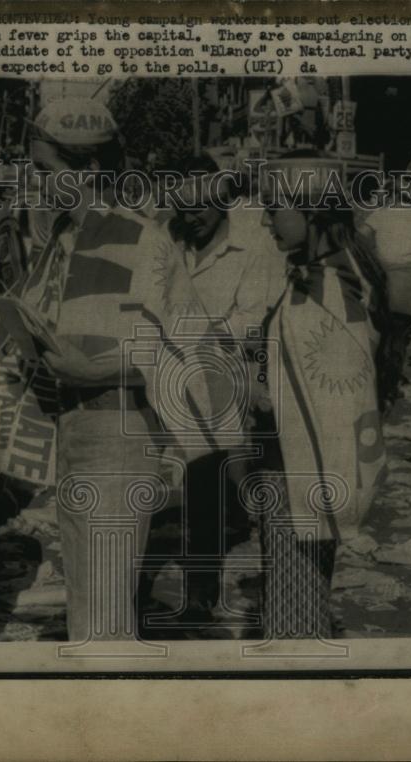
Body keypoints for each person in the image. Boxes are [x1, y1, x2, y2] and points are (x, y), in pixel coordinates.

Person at [0, 98, 205, 644]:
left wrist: (89, 371)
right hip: (74, 432)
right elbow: (5, 340)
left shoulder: (145, 242)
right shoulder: (60, 245)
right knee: (90, 607)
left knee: (104, 619)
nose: (36, 183)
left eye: (46, 171)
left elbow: (176, 352)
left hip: (117, 437)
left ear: (90, 171)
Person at [255, 153, 397, 639]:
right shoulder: (327, 275)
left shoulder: (331, 289)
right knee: (297, 599)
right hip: (306, 465)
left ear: (311, 212)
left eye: (275, 208)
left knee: (293, 614)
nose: (266, 218)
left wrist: (257, 393)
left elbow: (335, 394)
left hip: (304, 468)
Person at [161, 155, 286, 627]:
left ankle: (201, 587)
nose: (190, 217)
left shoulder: (252, 247)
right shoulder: (165, 237)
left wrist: (207, 333)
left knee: (204, 484)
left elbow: (254, 313)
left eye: (200, 209)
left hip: (216, 375)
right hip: (161, 369)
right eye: (183, 207)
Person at [358, 176, 411, 392]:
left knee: (379, 333)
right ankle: (389, 385)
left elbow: (359, 238)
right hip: (407, 282)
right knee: (400, 336)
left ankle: (375, 382)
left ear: (393, 194)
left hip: (382, 280)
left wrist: (373, 258)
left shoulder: (380, 215)